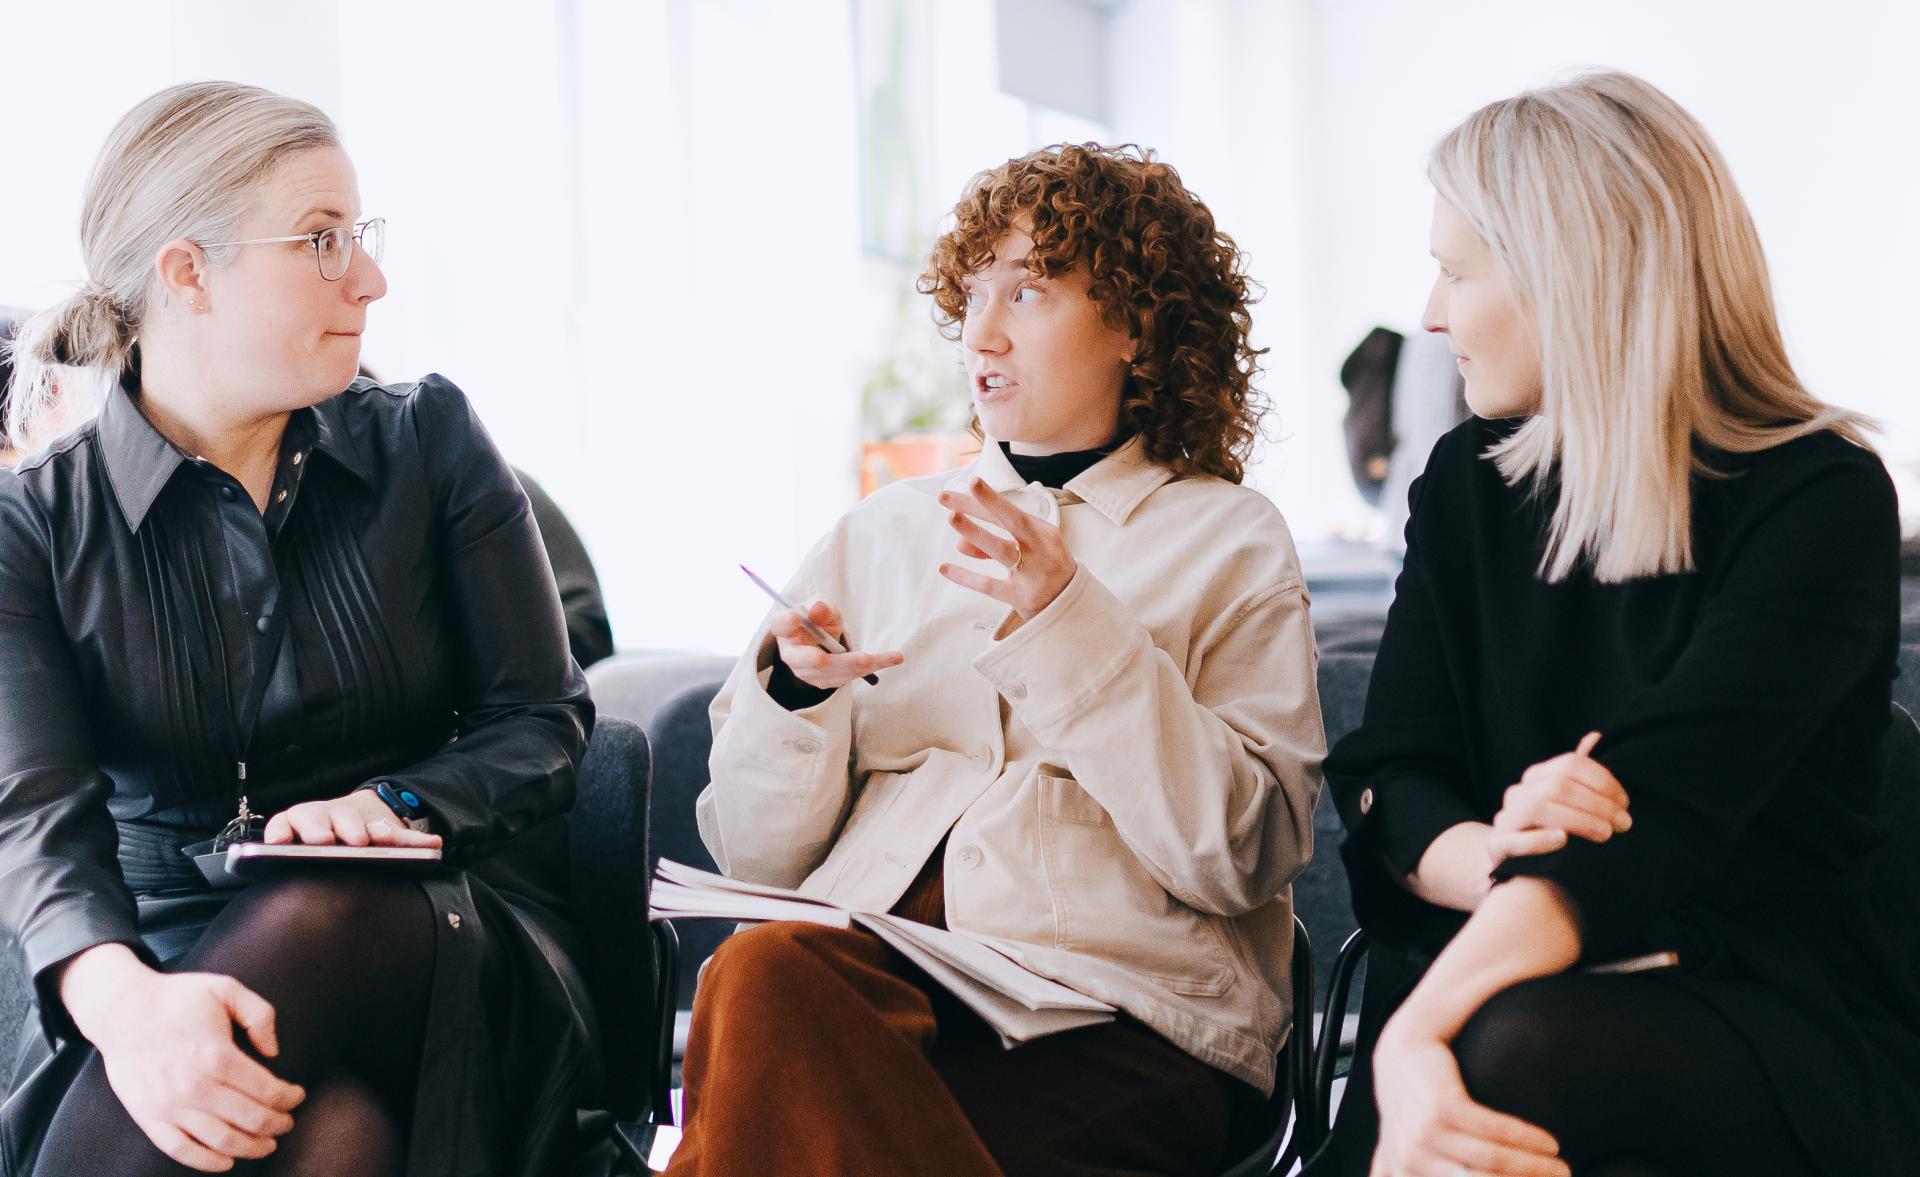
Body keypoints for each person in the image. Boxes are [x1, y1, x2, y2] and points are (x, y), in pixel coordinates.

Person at [669, 143, 1325, 1176]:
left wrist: (1070, 617)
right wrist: (793, 696)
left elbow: (1239, 853)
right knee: (765, 980)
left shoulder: (1229, 539)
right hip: (874, 982)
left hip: (1120, 1020)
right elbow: (755, 858)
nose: (982, 332)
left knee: (762, 1028)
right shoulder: (879, 533)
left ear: (1135, 326)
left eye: (1029, 291)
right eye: (972, 295)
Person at [1317, 71, 1920, 1177]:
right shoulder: (1466, 484)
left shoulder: (1819, 497)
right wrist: (1507, 848)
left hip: (1749, 1002)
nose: (1435, 315)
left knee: (1494, 1055)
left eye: (1455, 272)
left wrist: (1407, 1034)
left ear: (1570, 274)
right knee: (1484, 1052)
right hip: (1500, 972)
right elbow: (1389, 776)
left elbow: (1659, 818)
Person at [0, 81, 598, 1176]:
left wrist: (393, 804)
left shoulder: (429, 442)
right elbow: (35, 816)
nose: (369, 279)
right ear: (187, 273)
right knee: (326, 1143)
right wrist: (127, 1005)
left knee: (324, 900)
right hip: (167, 953)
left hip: (436, 928)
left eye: (357, 238)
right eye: (322, 241)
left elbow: (545, 720)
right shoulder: (31, 527)